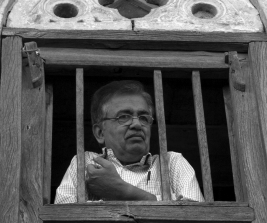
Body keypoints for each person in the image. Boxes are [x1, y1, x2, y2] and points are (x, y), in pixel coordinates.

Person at [54, 80, 204, 203]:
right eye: (123, 117)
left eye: (144, 118)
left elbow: (199, 221)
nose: (137, 124)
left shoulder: (172, 163)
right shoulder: (85, 163)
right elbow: (60, 220)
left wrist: (122, 190)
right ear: (100, 133)